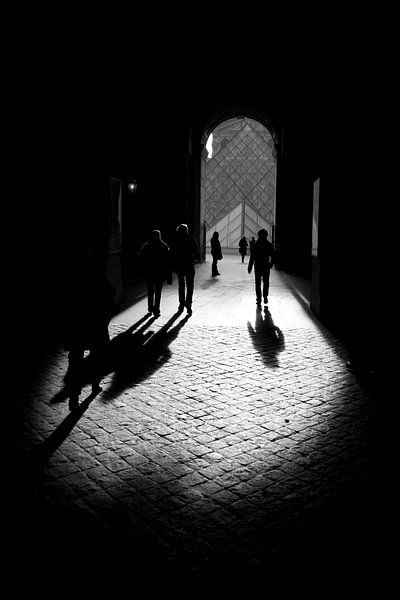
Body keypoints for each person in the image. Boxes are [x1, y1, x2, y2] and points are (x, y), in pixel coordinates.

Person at [64, 250, 117, 411]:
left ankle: (74, 396)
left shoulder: (69, 277)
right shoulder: (96, 274)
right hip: (94, 323)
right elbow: (111, 292)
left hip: (75, 326)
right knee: (96, 356)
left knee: (74, 361)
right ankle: (95, 384)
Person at [138, 229, 172, 318]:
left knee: (150, 290)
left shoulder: (146, 245)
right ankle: (156, 309)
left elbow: (141, 257)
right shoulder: (164, 246)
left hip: (149, 272)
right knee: (158, 291)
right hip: (159, 272)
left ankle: (150, 307)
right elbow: (167, 261)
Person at [172, 223, 200, 315]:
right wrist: (196, 259)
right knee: (190, 285)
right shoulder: (191, 239)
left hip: (180, 265)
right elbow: (197, 252)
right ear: (187, 230)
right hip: (189, 265)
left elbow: (173, 253)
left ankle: (181, 303)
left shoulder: (176, 240)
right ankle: (189, 304)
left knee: (181, 285)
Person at [247, 228, 275, 307]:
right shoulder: (269, 245)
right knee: (266, 281)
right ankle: (265, 296)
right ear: (266, 235)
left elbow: (252, 257)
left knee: (258, 282)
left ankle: (259, 298)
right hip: (266, 265)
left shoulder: (255, 245)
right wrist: (271, 263)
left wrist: (250, 266)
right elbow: (272, 255)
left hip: (258, 265)